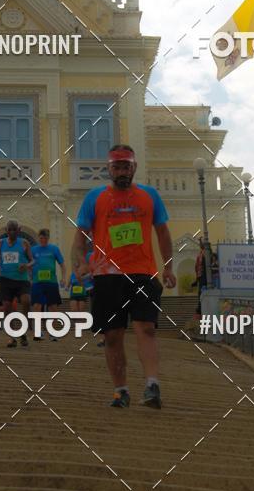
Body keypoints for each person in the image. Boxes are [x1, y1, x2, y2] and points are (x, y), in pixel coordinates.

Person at [72, 144, 176, 409]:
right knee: (113, 335)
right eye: (117, 167)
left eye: (126, 166)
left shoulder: (149, 196)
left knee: (147, 328)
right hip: (107, 277)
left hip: (143, 273)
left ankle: (152, 386)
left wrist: (169, 267)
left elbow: (163, 232)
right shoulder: (94, 198)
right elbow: (80, 237)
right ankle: (121, 390)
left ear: (134, 168)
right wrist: (80, 263)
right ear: (108, 168)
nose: (122, 171)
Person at [0, 220, 33, 348]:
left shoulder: (24, 243)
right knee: (7, 307)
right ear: (6, 230)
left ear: (19, 230)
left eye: (14, 229)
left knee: (26, 301)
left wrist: (26, 265)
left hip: (22, 280)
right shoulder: (0, 243)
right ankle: (11, 337)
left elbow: (33, 260)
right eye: (10, 230)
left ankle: (23, 331)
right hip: (5, 279)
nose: (12, 232)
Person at [30, 229, 66, 341]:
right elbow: (28, 263)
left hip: (51, 282)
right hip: (37, 282)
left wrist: (64, 278)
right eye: (41, 238)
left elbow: (62, 264)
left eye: (45, 238)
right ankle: (38, 332)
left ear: (48, 238)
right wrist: (29, 277)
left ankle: (53, 333)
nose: (43, 240)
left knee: (53, 307)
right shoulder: (33, 249)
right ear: (38, 238)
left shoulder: (54, 249)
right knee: (37, 306)